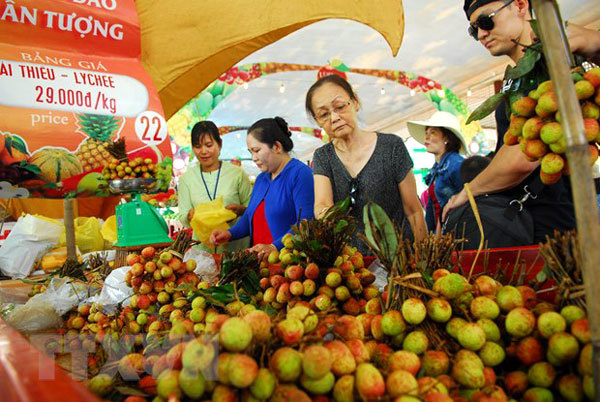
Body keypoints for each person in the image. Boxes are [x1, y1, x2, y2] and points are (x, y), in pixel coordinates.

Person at [445, 0, 600, 243]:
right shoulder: (516, 77)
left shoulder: (553, 62)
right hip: (529, 221)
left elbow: (523, 156)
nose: (482, 34)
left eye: (486, 21)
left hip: (550, 225)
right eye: (474, 29)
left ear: (519, 5)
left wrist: (469, 191)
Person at [307, 74, 427, 254]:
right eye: (324, 114)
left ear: (355, 102)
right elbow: (322, 203)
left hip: (400, 260)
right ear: (317, 121)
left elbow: (413, 210)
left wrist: (424, 258)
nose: (334, 117)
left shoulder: (391, 147)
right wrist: (325, 215)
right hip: (355, 269)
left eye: (339, 107)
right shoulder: (323, 157)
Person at [209, 117, 315, 261]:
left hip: (288, 265)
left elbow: (306, 224)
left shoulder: (300, 173)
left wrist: (274, 247)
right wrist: (229, 234)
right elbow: (249, 217)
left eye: (257, 150)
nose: (253, 157)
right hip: (259, 264)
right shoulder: (261, 179)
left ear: (277, 146)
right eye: (250, 152)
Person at [178, 121, 252, 253]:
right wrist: (191, 215)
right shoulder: (186, 179)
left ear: (220, 144)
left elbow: (252, 210)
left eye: (209, 145)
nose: (204, 152)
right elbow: (183, 215)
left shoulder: (237, 174)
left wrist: (240, 210)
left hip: (236, 250)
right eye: (197, 146)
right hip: (203, 251)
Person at [407, 111, 466, 232]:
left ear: (446, 138)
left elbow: (468, 198)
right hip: (444, 235)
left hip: (457, 232)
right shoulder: (436, 169)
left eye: (433, 132)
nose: (427, 137)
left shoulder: (455, 164)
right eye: (426, 133)